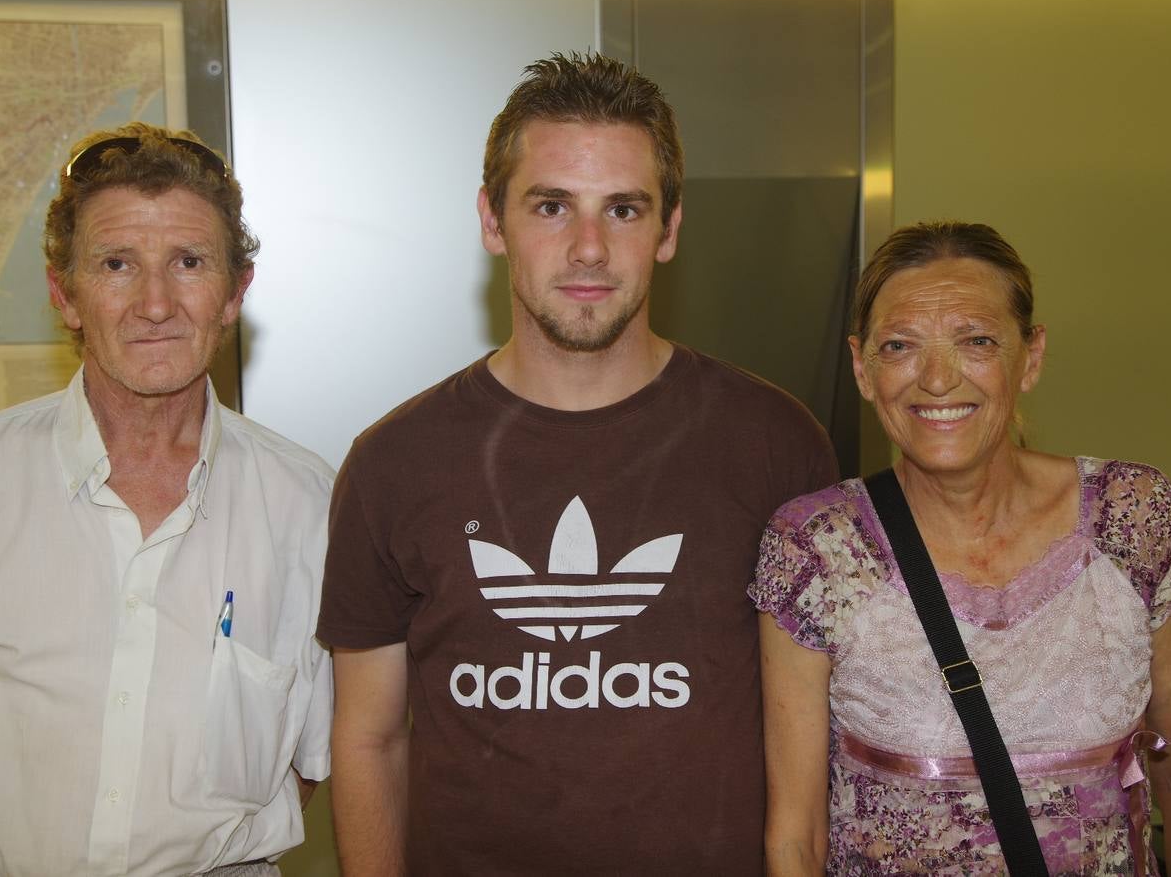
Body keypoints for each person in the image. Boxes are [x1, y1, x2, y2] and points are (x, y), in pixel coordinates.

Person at [317, 52, 838, 875]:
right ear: (492, 221)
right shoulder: (393, 463)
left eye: (624, 209)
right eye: (551, 206)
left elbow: (808, 738)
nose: (589, 248)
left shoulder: (776, 442)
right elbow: (370, 739)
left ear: (669, 229)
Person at [0, 124, 334, 876]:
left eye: (189, 263)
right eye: (116, 264)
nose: (156, 303)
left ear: (235, 292)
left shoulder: (309, 505)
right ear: (64, 294)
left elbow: (317, 755)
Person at [751, 220, 1171, 875]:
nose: (938, 379)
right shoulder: (818, 547)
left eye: (976, 341)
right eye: (900, 346)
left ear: (1030, 358)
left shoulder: (1132, 517)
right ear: (863, 369)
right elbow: (795, 837)